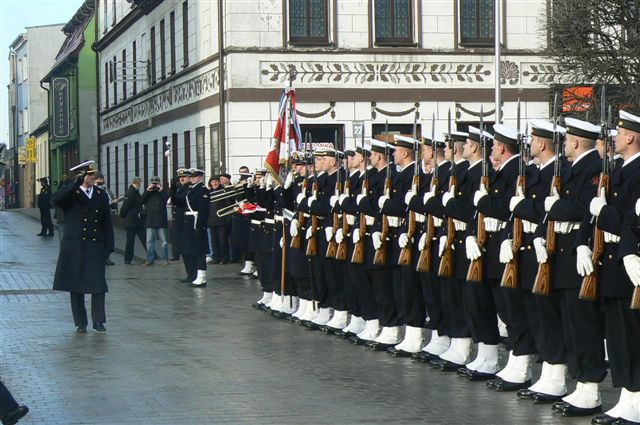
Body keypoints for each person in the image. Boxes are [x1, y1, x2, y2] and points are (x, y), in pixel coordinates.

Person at [52, 160, 114, 333]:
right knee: (76, 285)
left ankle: (99, 321)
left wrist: (109, 246)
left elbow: (106, 223)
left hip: (94, 245)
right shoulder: (71, 194)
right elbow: (56, 199)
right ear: (82, 177)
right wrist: (74, 185)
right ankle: (81, 322)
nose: (93, 178)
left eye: (93, 174)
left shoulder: (101, 195)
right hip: (75, 246)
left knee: (98, 285)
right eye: (89, 175)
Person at [181, 169, 210, 287]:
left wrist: (200, 225)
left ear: (201, 177)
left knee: (199, 251)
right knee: (192, 250)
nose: (192, 178)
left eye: (195, 176)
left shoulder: (203, 190)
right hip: (189, 222)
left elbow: (203, 211)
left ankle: (202, 276)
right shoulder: (191, 189)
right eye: (191, 177)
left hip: (196, 222)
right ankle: (194, 275)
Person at [141, 176, 170, 266]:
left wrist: (161, 190)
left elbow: (167, 200)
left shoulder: (162, 192)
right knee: (149, 242)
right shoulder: (148, 192)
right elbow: (141, 201)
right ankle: (150, 259)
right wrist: (147, 190)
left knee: (164, 242)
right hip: (150, 220)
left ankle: (165, 259)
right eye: (153, 182)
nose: (154, 185)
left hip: (161, 220)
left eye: (156, 183)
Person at [119, 176, 146, 264]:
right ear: (138, 183)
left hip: (136, 220)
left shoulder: (134, 191)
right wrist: (122, 215)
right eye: (140, 183)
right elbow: (125, 206)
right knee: (131, 240)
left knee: (141, 239)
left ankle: (128, 258)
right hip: (132, 221)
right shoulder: (131, 192)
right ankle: (128, 258)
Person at [95, 172, 119, 265]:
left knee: (107, 238)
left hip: (106, 216)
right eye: (98, 179)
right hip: (97, 217)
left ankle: (106, 257)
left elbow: (110, 202)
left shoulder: (107, 190)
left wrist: (114, 202)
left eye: (101, 179)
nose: (100, 181)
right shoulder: (93, 190)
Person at [207, 175, 232, 264]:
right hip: (211, 220)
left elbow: (228, 205)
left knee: (223, 241)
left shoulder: (223, 191)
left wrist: (228, 219)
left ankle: (224, 258)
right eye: (213, 182)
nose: (215, 183)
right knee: (214, 241)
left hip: (222, 220)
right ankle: (216, 257)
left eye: (216, 181)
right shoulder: (208, 192)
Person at [169, 168, 190, 261]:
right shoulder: (178, 187)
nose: (182, 179)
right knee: (176, 235)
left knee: (184, 235)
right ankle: (176, 254)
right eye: (180, 177)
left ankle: (184, 252)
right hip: (176, 215)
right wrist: (172, 188)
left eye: (184, 177)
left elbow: (181, 199)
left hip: (184, 215)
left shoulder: (189, 188)